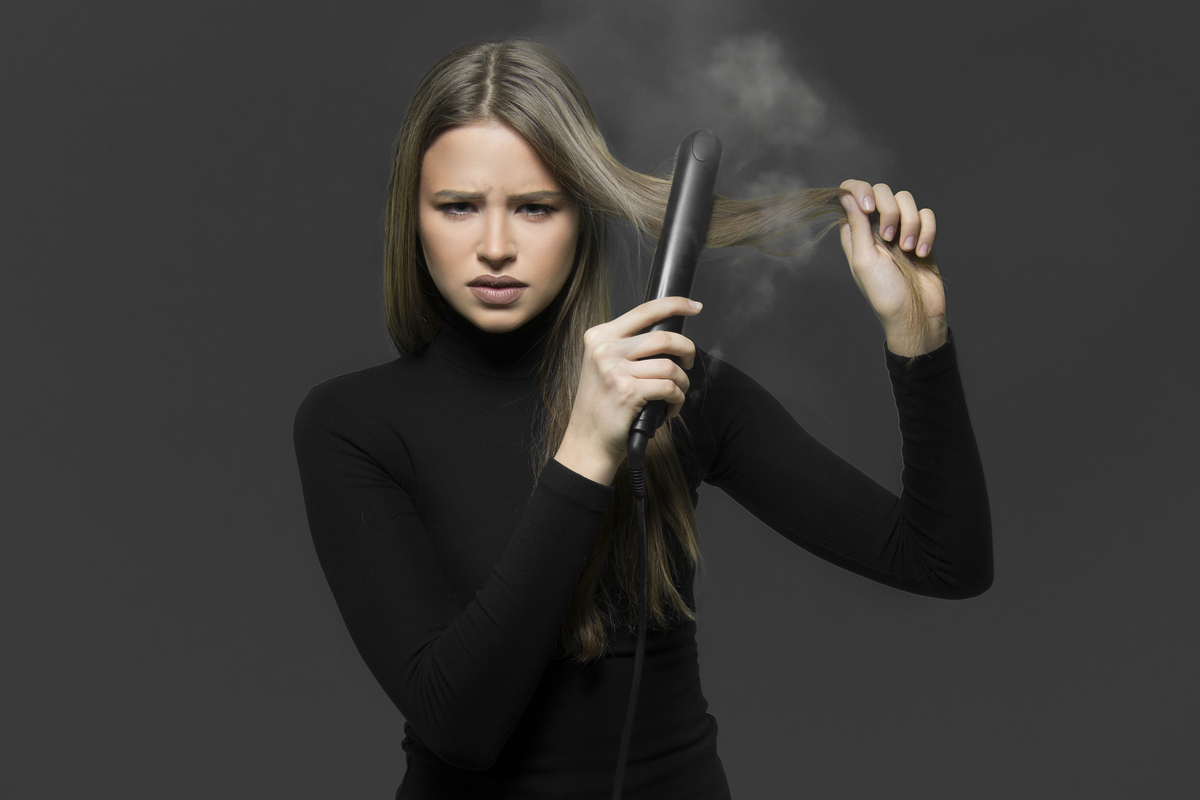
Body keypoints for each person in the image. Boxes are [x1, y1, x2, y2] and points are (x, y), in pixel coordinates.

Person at [292, 39, 992, 800]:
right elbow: (459, 726)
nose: (495, 247)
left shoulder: (676, 390)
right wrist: (586, 451)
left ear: (582, 214)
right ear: (413, 218)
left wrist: (919, 339)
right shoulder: (352, 424)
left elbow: (942, 562)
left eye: (534, 207)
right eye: (458, 206)